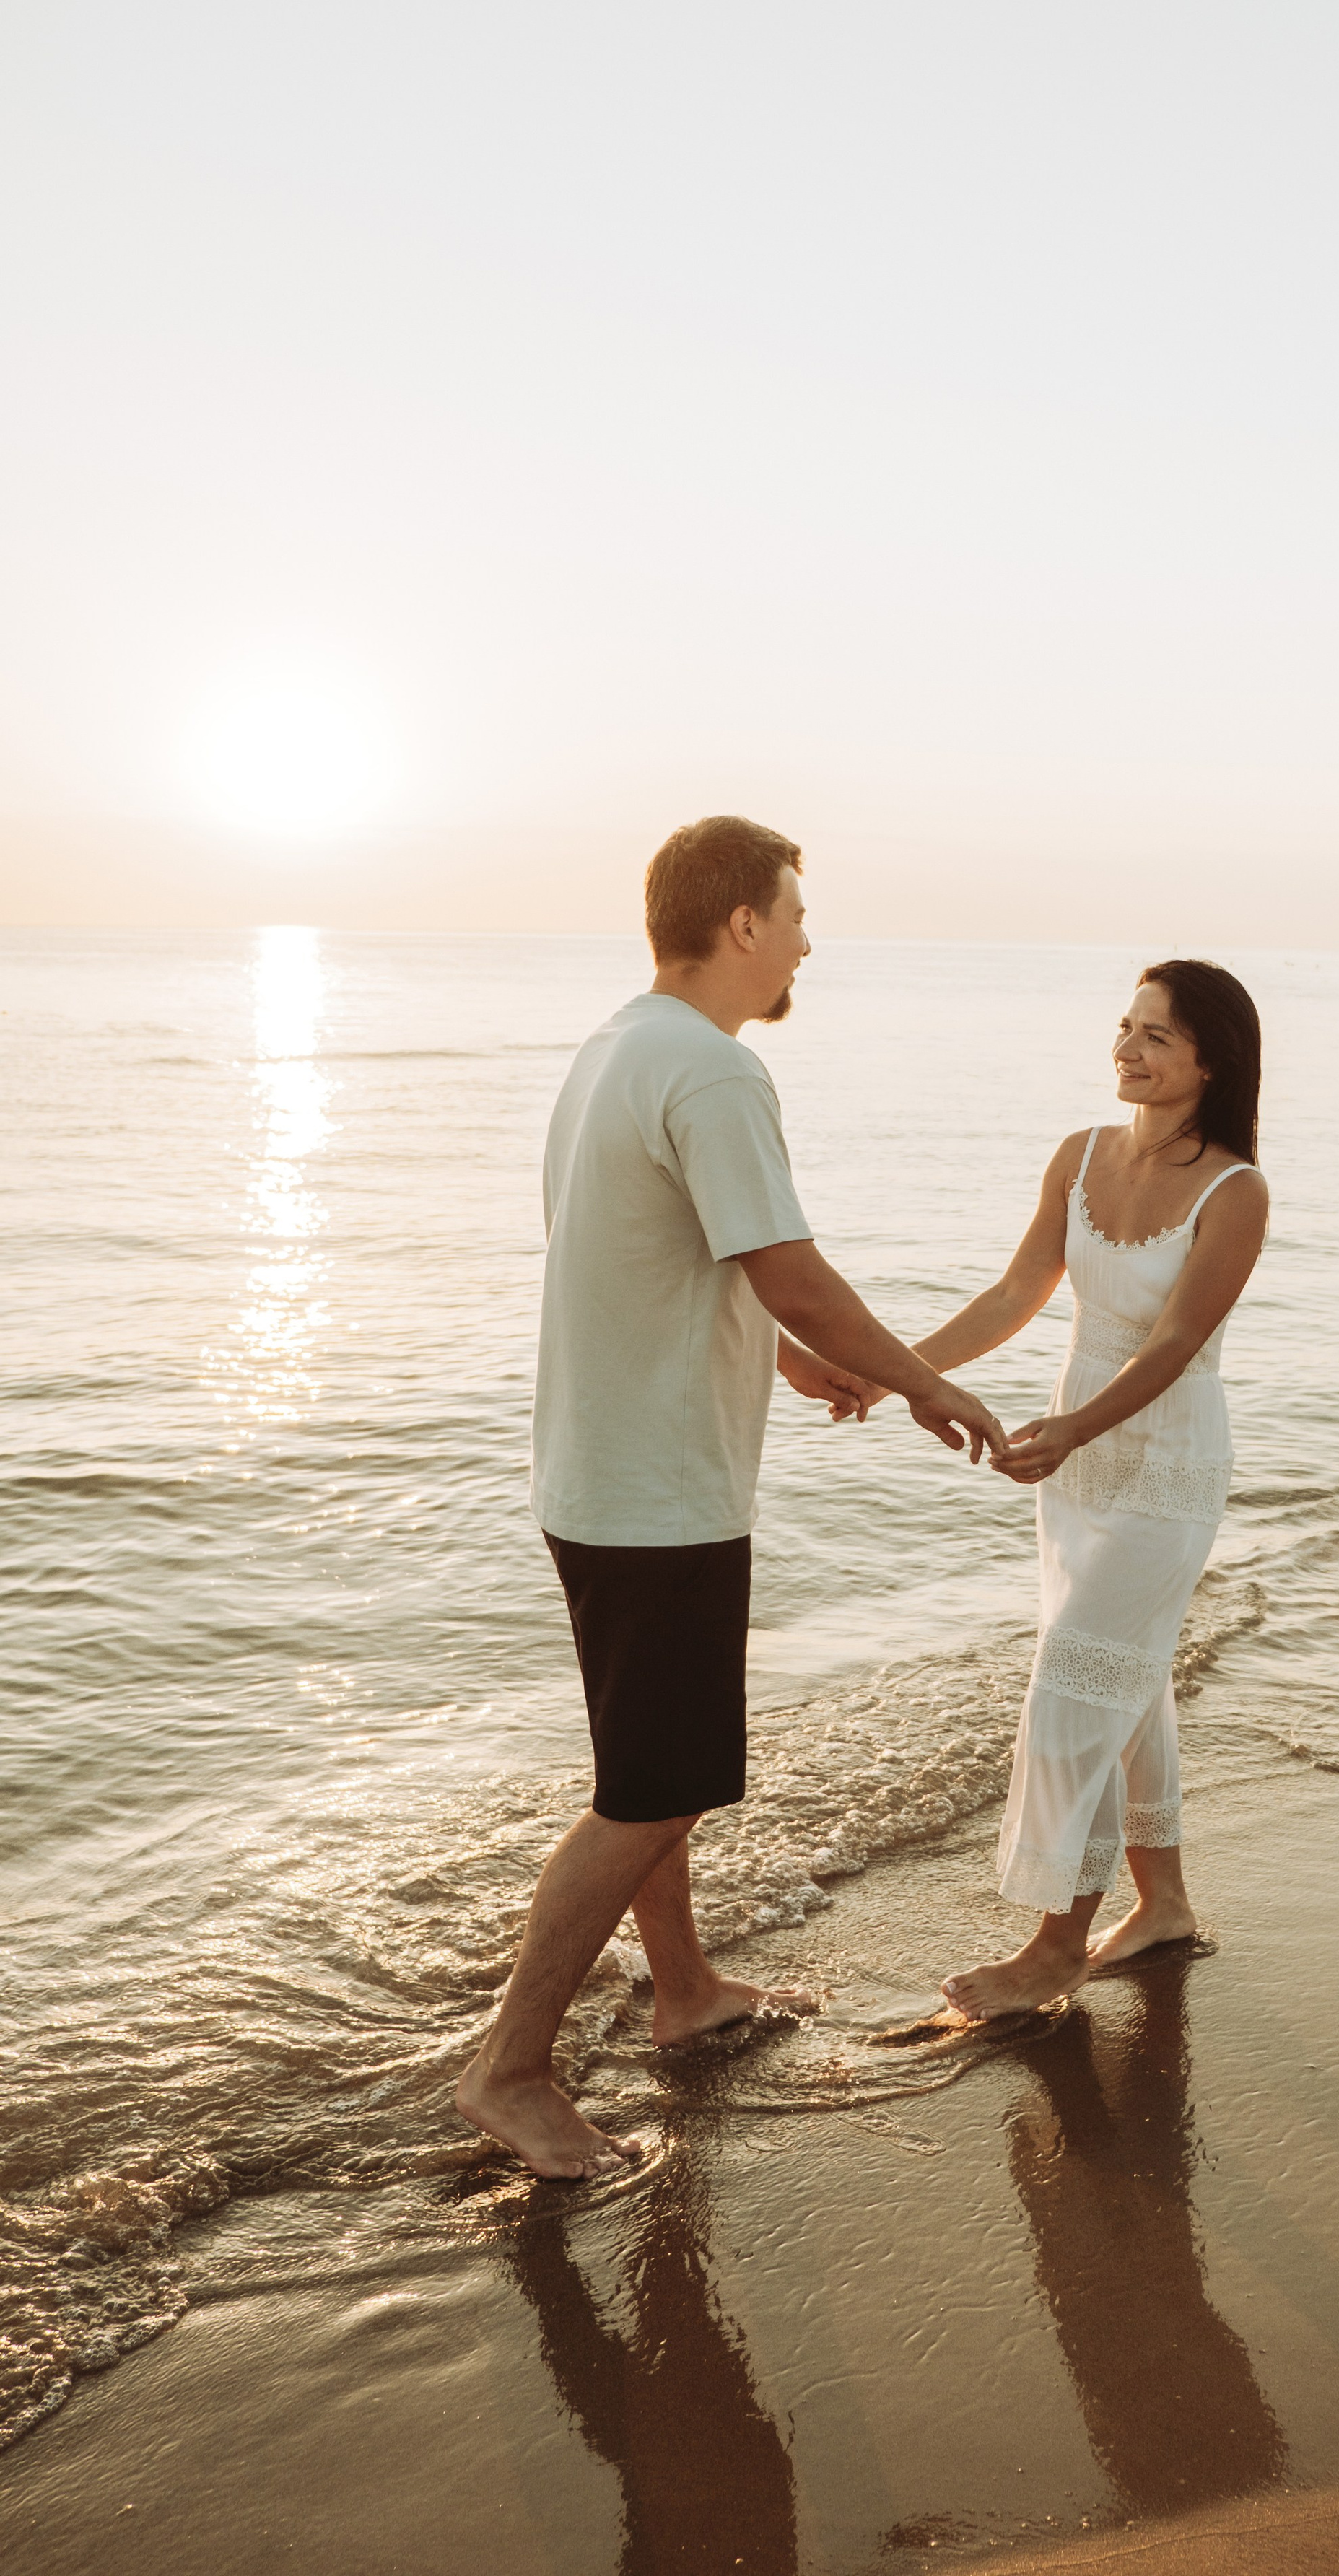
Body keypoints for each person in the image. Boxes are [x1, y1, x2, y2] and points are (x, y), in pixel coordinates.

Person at [458, 816, 1006, 2178]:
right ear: (742, 923)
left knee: (659, 1773)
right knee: (651, 1789)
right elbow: (787, 1265)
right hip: (657, 1493)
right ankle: (508, 2068)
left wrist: (807, 1362)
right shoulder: (712, 1073)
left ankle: (687, 1990)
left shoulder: (614, 1051)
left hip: (596, 1472)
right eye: (797, 912)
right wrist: (929, 1385)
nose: (810, 939)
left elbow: (676, 1263)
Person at [909, 960, 1268, 2018]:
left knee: (1076, 1682)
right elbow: (1019, 1291)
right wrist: (898, 1371)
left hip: (1165, 1464)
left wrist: (1071, 1428)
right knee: (1131, 1681)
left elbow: (1173, 1345)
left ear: (1211, 1061)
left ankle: (1056, 1944)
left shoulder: (1234, 1190)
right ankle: (1163, 1907)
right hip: (1080, 1469)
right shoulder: (1077, 1154)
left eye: (1156, 1036)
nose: (1129, 1047)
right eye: (1125, 1026)